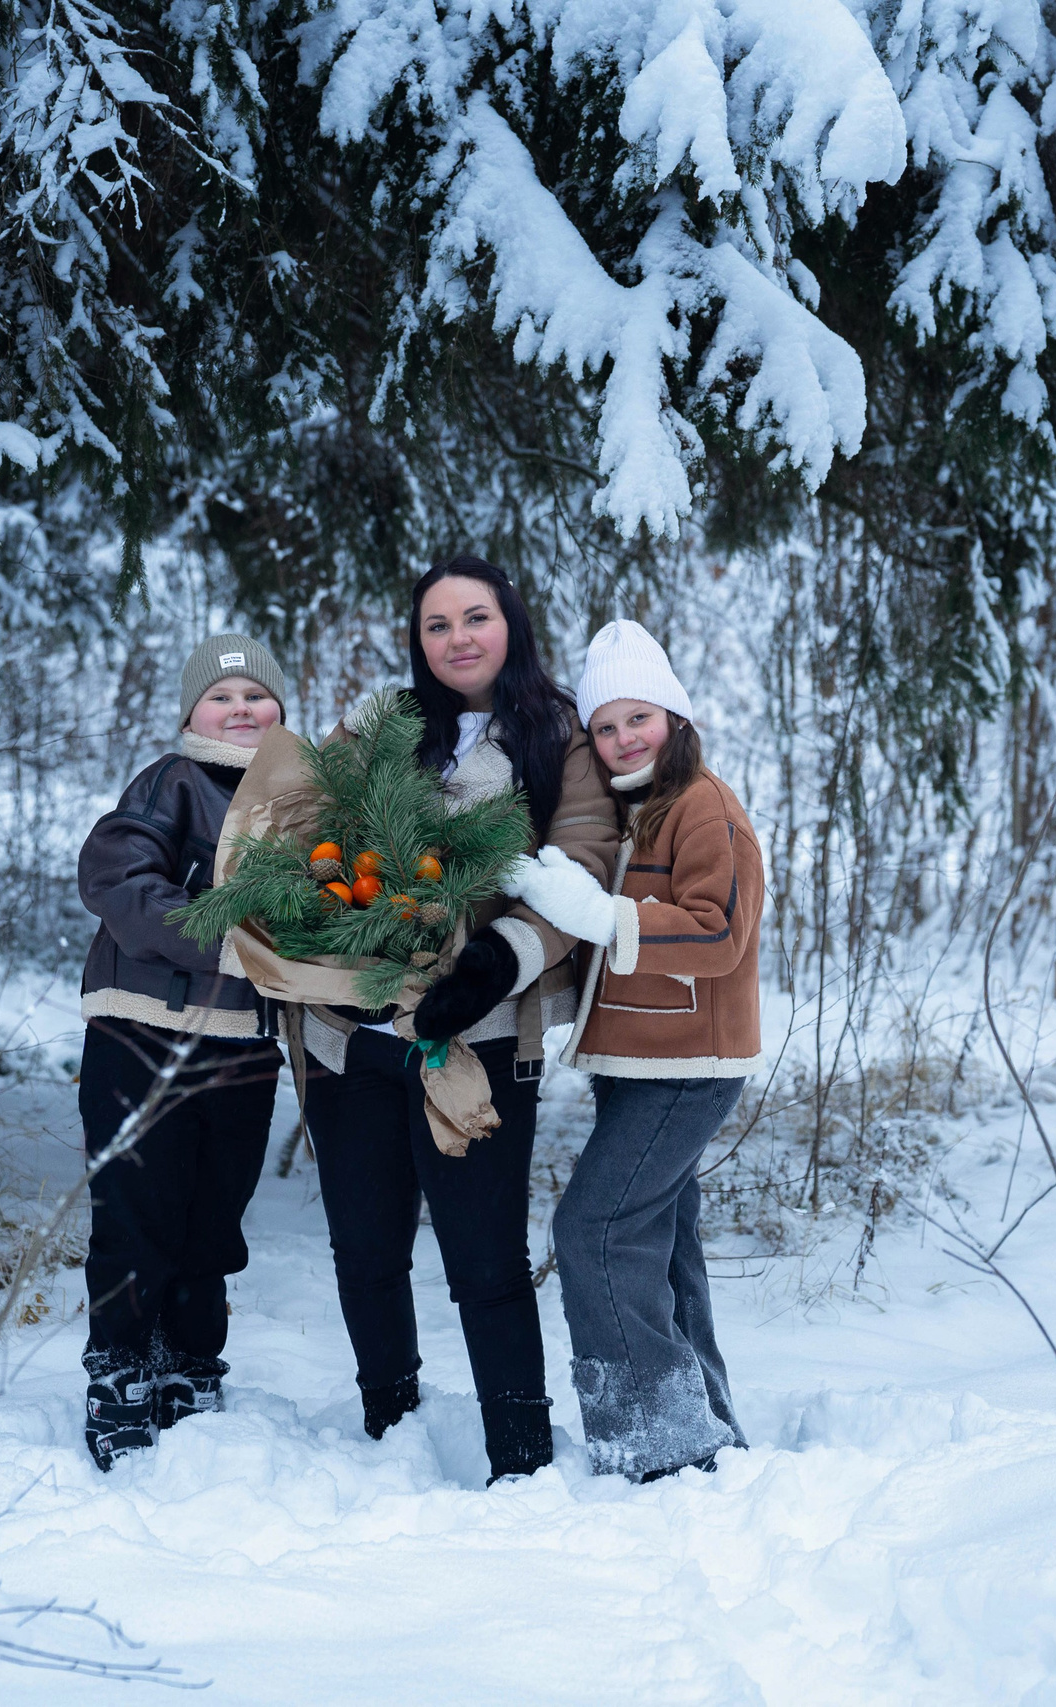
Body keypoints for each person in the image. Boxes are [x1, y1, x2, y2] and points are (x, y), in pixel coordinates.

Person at [292, 556, 621, 1483]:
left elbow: (585, 864)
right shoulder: (379, 727)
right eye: (437, 625)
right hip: (351, 1029)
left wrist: (491, 965)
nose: (457, 638)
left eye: (475, 617)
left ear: (509, 621)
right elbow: (301, 829)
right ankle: (389, 1428)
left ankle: (518, 1452)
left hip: (474, 1034)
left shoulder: (557, 737)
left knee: (485, 1255)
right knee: (364, 1243)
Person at [526, 619, 766, 1482]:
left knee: (591, 1228)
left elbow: (720, 933)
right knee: (660, 1242)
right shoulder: (631, 807)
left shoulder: (705, 804)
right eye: (605, 725)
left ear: (675, 716)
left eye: (641, 717)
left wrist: (603, 915)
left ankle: (658, 1445)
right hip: (638, 1068)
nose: (625, 736)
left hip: (689, 1066)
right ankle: (704, 1423)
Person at [72, 635, 291, 1470]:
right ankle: (120, 1367)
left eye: (256, 697)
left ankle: (191, 1359)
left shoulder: (300, 799)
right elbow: (117, 876)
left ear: (280, 711)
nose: (240, 711)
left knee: (211, 1216)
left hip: (242, 1045)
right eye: (220, 697)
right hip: (143, 1027)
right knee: (137, 1209)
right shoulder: (170, 782)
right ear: (190, 714)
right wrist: (224, 936)